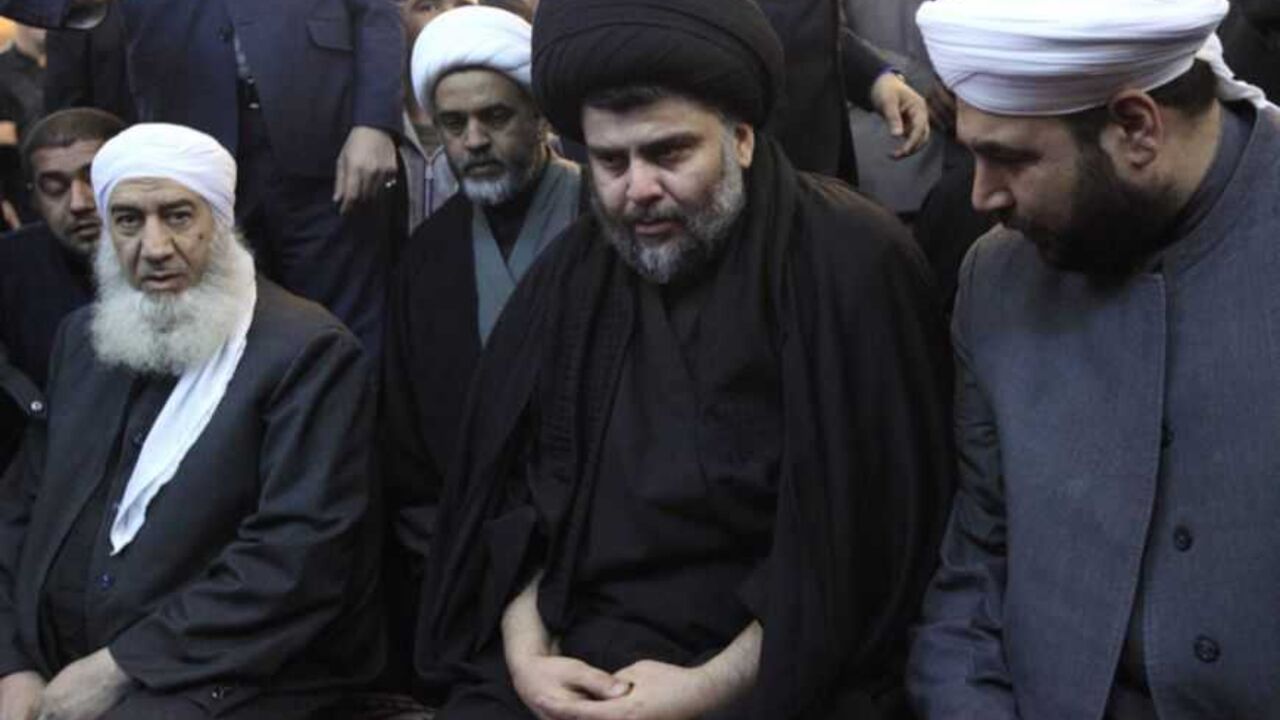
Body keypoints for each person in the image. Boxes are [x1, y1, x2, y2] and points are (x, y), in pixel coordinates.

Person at [415, 1, 954, 718]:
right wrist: (529, 659)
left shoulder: (852, 264)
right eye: (610, 162)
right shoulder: (572, 277)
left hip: (775, 665)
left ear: (741, 139)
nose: (637, 190)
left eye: (669, 153)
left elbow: (867, 546)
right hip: (575, 649)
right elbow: (513, 503)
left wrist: (704, 689)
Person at [908, 0, 1280, 717]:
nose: (981, 196)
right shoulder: (996, 279)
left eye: (1010, 157)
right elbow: (977, 571)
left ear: (1136, 128)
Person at [0, 123, 383, 720]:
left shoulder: (307, 353)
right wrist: (13, 664)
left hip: (220, 673)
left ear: (221, 222)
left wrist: (121, 667)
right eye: (129, 220)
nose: (154, 246)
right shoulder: (82, 340)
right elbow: (19, 510)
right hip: (53, 664)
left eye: (177, 216)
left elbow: (295, 558)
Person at [0, 0, 404, 359]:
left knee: (348, 331)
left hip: (326, 143)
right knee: (214, 340)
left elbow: (377, 10)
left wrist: (374, 122)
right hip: (189, 147)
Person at [384, 3, 580, 580]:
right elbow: (408, 446)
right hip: (472, 546)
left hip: (603, 529)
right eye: (453, 123)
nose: (473, 140)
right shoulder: (428, 257)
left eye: (495, 116)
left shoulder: (603, 220)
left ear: (539, 115)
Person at [0, 107, 123, 473]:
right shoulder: (8, 267)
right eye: (55, 188)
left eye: (94, 179)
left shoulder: (177, 261)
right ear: (33, 199)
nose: (79, 203)